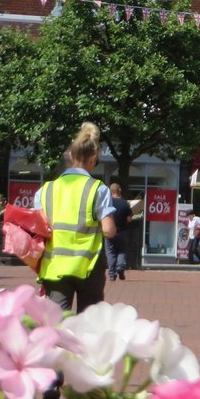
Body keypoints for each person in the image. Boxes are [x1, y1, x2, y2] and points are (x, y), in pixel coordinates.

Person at [36, 123, 117, 313]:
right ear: (94, 158)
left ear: (70, 156)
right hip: (89, 266)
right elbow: (108, 230)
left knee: (56, 324)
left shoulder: (45, 190)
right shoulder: (99, 189)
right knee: (87, 326)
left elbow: (37, 229)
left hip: (55, 266)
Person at [105, 183, 132, 281]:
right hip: (122, 231)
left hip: (109, 231)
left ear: (110, 191)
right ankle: (120, 267)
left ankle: (112, 274)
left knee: (110, 252)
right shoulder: (125, 203)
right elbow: (129, 219)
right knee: (122, 250)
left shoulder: (107, 203)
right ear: (119, 191)